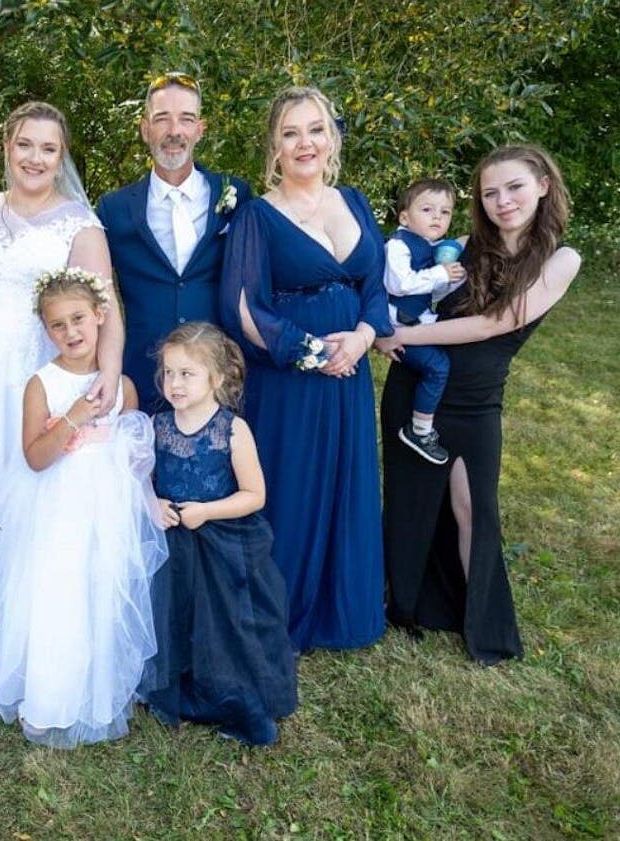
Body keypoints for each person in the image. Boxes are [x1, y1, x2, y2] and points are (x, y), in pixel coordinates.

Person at [377, 144, 580, 665]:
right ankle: (405, 607)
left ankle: (481, 624)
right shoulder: (459, 247)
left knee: (473, 507)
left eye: (513, 187)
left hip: (475, 401)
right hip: (416, 389)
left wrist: (405, 335)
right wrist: (381, 326)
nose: (502, 201)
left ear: (543, 186)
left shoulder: (561, 259)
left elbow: (497, 322)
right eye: (490, 193)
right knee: (410, 501)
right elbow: (398, 283)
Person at [219, 86, 393, 653]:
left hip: (349, 373)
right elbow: (243, 308)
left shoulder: (355, 202)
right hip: (291, 380)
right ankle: (281, 613)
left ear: (331, 137)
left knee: (346, 482)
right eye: (290, 133)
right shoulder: (257, 215)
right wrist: (313, 353)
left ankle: (344, 611)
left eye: (315, 129)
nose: (305, 143)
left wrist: (362, 338)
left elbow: (374, 285)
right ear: (274, 145)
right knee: (292, 489)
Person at [0, 268, 166, 748]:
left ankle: (96, 693)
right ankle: (49, 698)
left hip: (106, 507)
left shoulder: (121, 385)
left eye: (79, 319)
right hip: (56, 507)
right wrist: (73, 416)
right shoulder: (41, 384)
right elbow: (35, 457)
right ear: (46, 330)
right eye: (58, 325)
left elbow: (133, 453)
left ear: (100, 315)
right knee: (58, 591)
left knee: (101, 588)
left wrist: (145, 503)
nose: (70, 332)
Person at [0, 101, 122, 485]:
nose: (35, 159)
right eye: (25, 145)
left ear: (60, 157)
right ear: (7, 147)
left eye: (48, 149)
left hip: (40, 368)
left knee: (29, 479)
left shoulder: (79, 224)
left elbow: (106, 307)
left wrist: (110, 372)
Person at [140, 322, 298, 745]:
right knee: (179, 618)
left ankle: (243, 704)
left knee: (228, 625)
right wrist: (153, 503)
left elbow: (255, 495)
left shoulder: (231, 429)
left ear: (216, 378)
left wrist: (207, 511)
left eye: (187, 374)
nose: (175, 383)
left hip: (225, 543)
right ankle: (189, 691)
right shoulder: (158, 425)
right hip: (176, 543)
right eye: (168, 373)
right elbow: (143, 482)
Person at [97, 72, 253, 412]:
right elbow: (96, 295)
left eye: (186, 119)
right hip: (143, 375)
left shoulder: (236, 194)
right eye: (162, 119)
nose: (174, 131)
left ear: (200, 129)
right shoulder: (114, 208)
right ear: (145, 129)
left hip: (216, 378)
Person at [384, 178, 466, 464]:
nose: (437, 217)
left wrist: (450, 279)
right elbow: (400, 284)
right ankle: (419, 430)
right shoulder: (398, 245)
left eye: (445, 212)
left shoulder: (434, 248)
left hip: (419, 319)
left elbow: (431, 292)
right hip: (398, 324)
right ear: (405, 217)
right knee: (437, 366)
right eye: (427, 210)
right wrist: (440, 274)